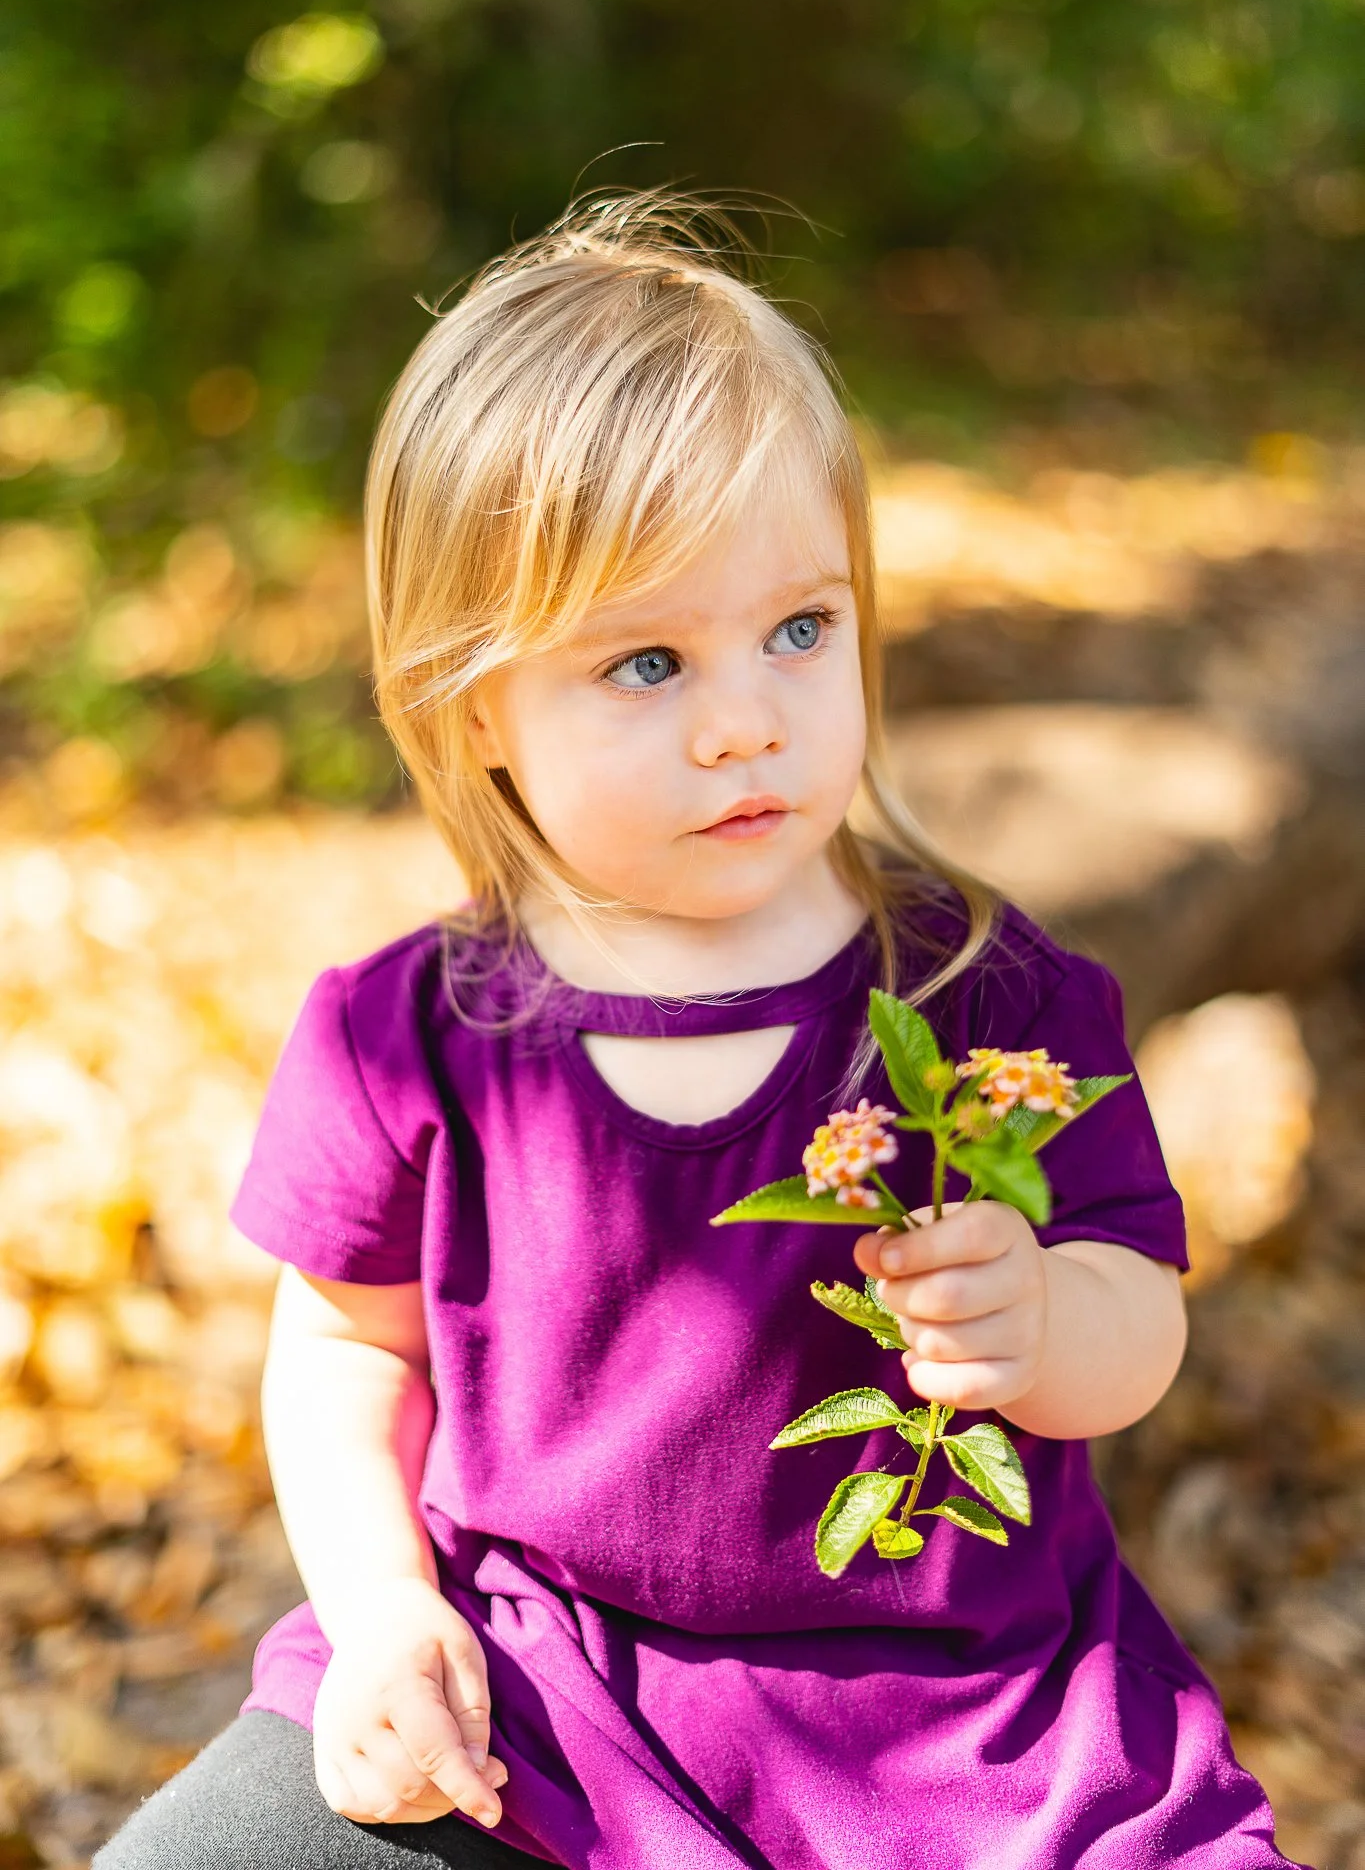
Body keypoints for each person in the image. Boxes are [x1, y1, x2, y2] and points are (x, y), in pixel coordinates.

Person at [95, 192, 1297, 1870]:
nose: (746, 724)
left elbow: (1134, 1319)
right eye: (646, 663)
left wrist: (1041, 1315)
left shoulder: (983, 1001)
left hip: (964, 1723)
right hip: (530, 1683)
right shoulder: (410, 1036)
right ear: (473, 708)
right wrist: (381, 1614)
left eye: (800, 630)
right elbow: (349, 1349)